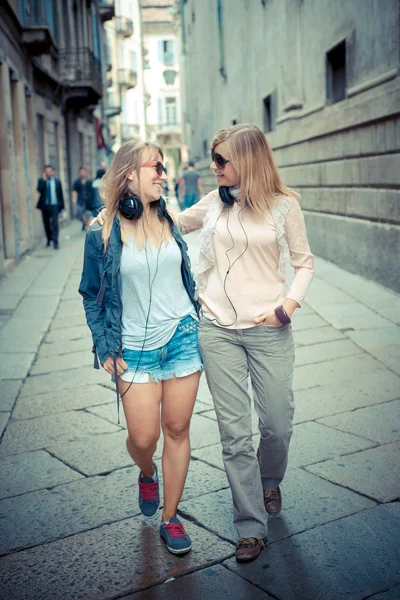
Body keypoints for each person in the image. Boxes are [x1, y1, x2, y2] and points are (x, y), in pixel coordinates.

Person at [92, 124, 314, 563]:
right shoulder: (214, 202)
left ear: (246, 161)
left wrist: (287, 306)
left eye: (220, 161)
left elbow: (303, 263)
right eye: (212, 160)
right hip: (215, 330)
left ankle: (270, 480)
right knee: (233, 435)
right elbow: (170, 220)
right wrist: (114, 214)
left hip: (269, 328)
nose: (213, 168)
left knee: (276, 426)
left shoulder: (285, 207)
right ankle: (250, 528)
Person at [78, 141, 203, 556]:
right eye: (158, 168)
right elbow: (89, 292)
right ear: (130, 172)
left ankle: (171, 517)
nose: (164, 175)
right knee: (143, 436)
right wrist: (103, 345)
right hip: (131, 347)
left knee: (178, 430)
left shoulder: (167, 217)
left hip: (182, 336)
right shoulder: (103, 232)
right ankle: (146, 472)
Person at [36, 164, 64, 249]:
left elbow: (60, 194)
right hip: (45, 206)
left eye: (49, 171)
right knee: (46, 224)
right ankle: (49, 239)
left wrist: (62, 206)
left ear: (52, 171)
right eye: (46, 171)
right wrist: (44, 180)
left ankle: (55, 242)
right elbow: (39, 190)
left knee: (55, 223)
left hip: (55, 205)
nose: (48, 173)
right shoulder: (42, 181)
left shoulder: (57, 182)